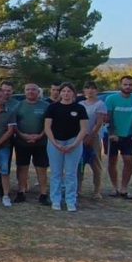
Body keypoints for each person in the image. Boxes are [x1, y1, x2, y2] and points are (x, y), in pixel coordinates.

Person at [44, 82, 89, 212]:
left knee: (70, 173)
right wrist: (55, 143)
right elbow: (47, 127)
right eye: (63, 91)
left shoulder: (79, 108)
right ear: (60, 93)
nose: (66, 93)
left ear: (73, 93)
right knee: (56, 173)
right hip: (55, 143)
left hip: (73, 142)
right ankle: (56, 200)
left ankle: (70, 200)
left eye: (69, 91)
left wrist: (74, 144)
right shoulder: (52, 107)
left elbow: (83, 129)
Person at [105, 75, 132, 199]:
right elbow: (108, 116)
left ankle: (124, 188)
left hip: (128, 136)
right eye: (125, 84)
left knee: (128, 161)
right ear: (120, 85)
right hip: (113, 135)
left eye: (130, 85)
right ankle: (115, 187)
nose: (128, 87)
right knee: (112, 161)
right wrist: (112, 133)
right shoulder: (111, 99)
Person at [14, 83, 50, 205]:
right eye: (28, 89)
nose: (30, 91)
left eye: (33, 89)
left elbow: (48, 124)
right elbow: (14, 124)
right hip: (22, 142)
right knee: (22, 167)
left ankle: (43, 194)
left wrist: (40, 135)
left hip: (41, 142)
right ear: (24, 91)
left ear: (38, 92)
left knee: (41, 168)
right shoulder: (18, 105)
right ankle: (21, 192)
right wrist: (23, 135)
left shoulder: (46, 106)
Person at [78, 81, 108, 200]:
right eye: (87, 88)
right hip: (81, 136)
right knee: (79, 164)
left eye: (92, 88)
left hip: (94, 137)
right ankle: (78, 189)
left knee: (96, 164)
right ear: (84, 90)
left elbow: (99, 122)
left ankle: (97, 190)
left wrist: (91, 136)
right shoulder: (80, 104)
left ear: (96, 90)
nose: (90, 91)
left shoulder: (100, 104)